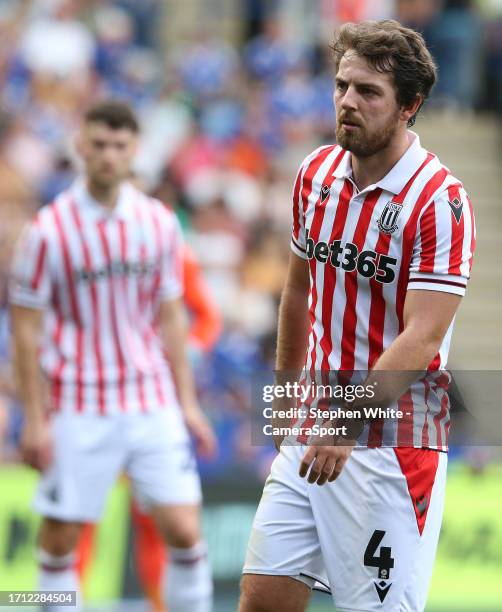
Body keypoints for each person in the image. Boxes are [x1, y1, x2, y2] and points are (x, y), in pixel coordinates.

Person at [239, 20, 476, 612]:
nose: (347, 102)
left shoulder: (439, 200)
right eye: (343, 86)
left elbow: (424, 336)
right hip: (315, 427)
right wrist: (290, 400)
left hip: (393, 445)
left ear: (409, 107)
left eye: (368, 93)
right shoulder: (315, 175)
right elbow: (298, 293)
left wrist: (344, 423)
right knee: (262, 600)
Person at [9, 100, 216, 612]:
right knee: (59, 539)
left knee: (185, 530)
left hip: (150, 398)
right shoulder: (47, 232)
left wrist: (187, 402)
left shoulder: (158, 223)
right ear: (81, 145)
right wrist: (35, 419)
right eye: (98, 144)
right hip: (78, 403)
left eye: (119, 146)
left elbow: (172, 316)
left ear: (134, 151)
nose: (108, 155)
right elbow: (25, 331)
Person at [76, 241, 222, 612]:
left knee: (159, 520)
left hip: (152, 404)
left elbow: (208, 317)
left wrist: (184, 354)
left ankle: (161, 607)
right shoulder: (77, 238)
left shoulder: (170, 246)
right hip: (92, 398)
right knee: (76, 522)